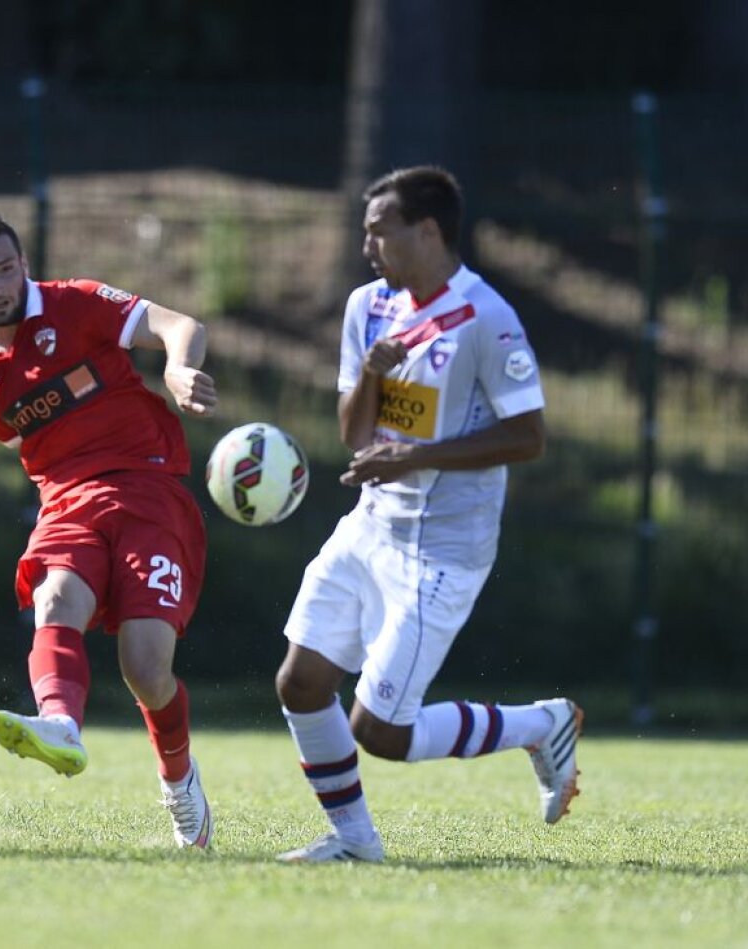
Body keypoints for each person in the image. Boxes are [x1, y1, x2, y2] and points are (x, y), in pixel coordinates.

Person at [273, 166, 582, 863]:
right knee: (300, 680)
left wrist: (414, 459)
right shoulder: (367, 308)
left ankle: (540, 724)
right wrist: (376, 376)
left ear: (429, 230)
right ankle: (355, 842)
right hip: (369, 525)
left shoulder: (488, 318)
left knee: (381, 730)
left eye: (380, 231)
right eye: (365, 232)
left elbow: (528, 436)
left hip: (443, 549)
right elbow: (354, 434)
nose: (368, 246)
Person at [0, 211, 217, 849]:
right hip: (67, 502)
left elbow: (181, 326)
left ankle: (181, 788)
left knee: (146, 668)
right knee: (54, 598)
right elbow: (26, 442)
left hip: (148, 489)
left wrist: (177, 368)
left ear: (24, 265)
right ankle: (60, 725)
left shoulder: (78, 304)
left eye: (6, 269)